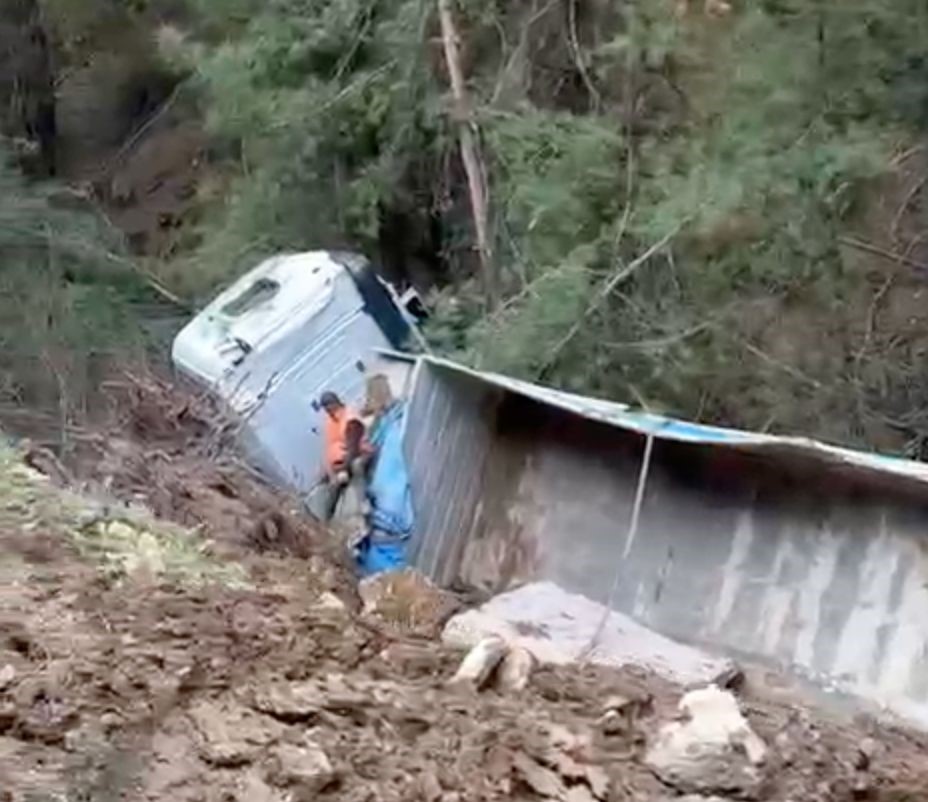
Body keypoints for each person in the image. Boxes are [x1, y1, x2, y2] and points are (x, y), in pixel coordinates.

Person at [318, 391, 372, 521]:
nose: (326, 410)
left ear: (335, 403)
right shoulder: (331, 421)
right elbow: (330, 446)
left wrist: (344, 469)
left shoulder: (350, 420)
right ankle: (324, 519)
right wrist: (330, 471)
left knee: (357, 466)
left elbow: (354, 450)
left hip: (360, 455)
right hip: (341, 462)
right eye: (324, 407)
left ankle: (363, 501)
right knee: (332, 487)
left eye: (328, 406)